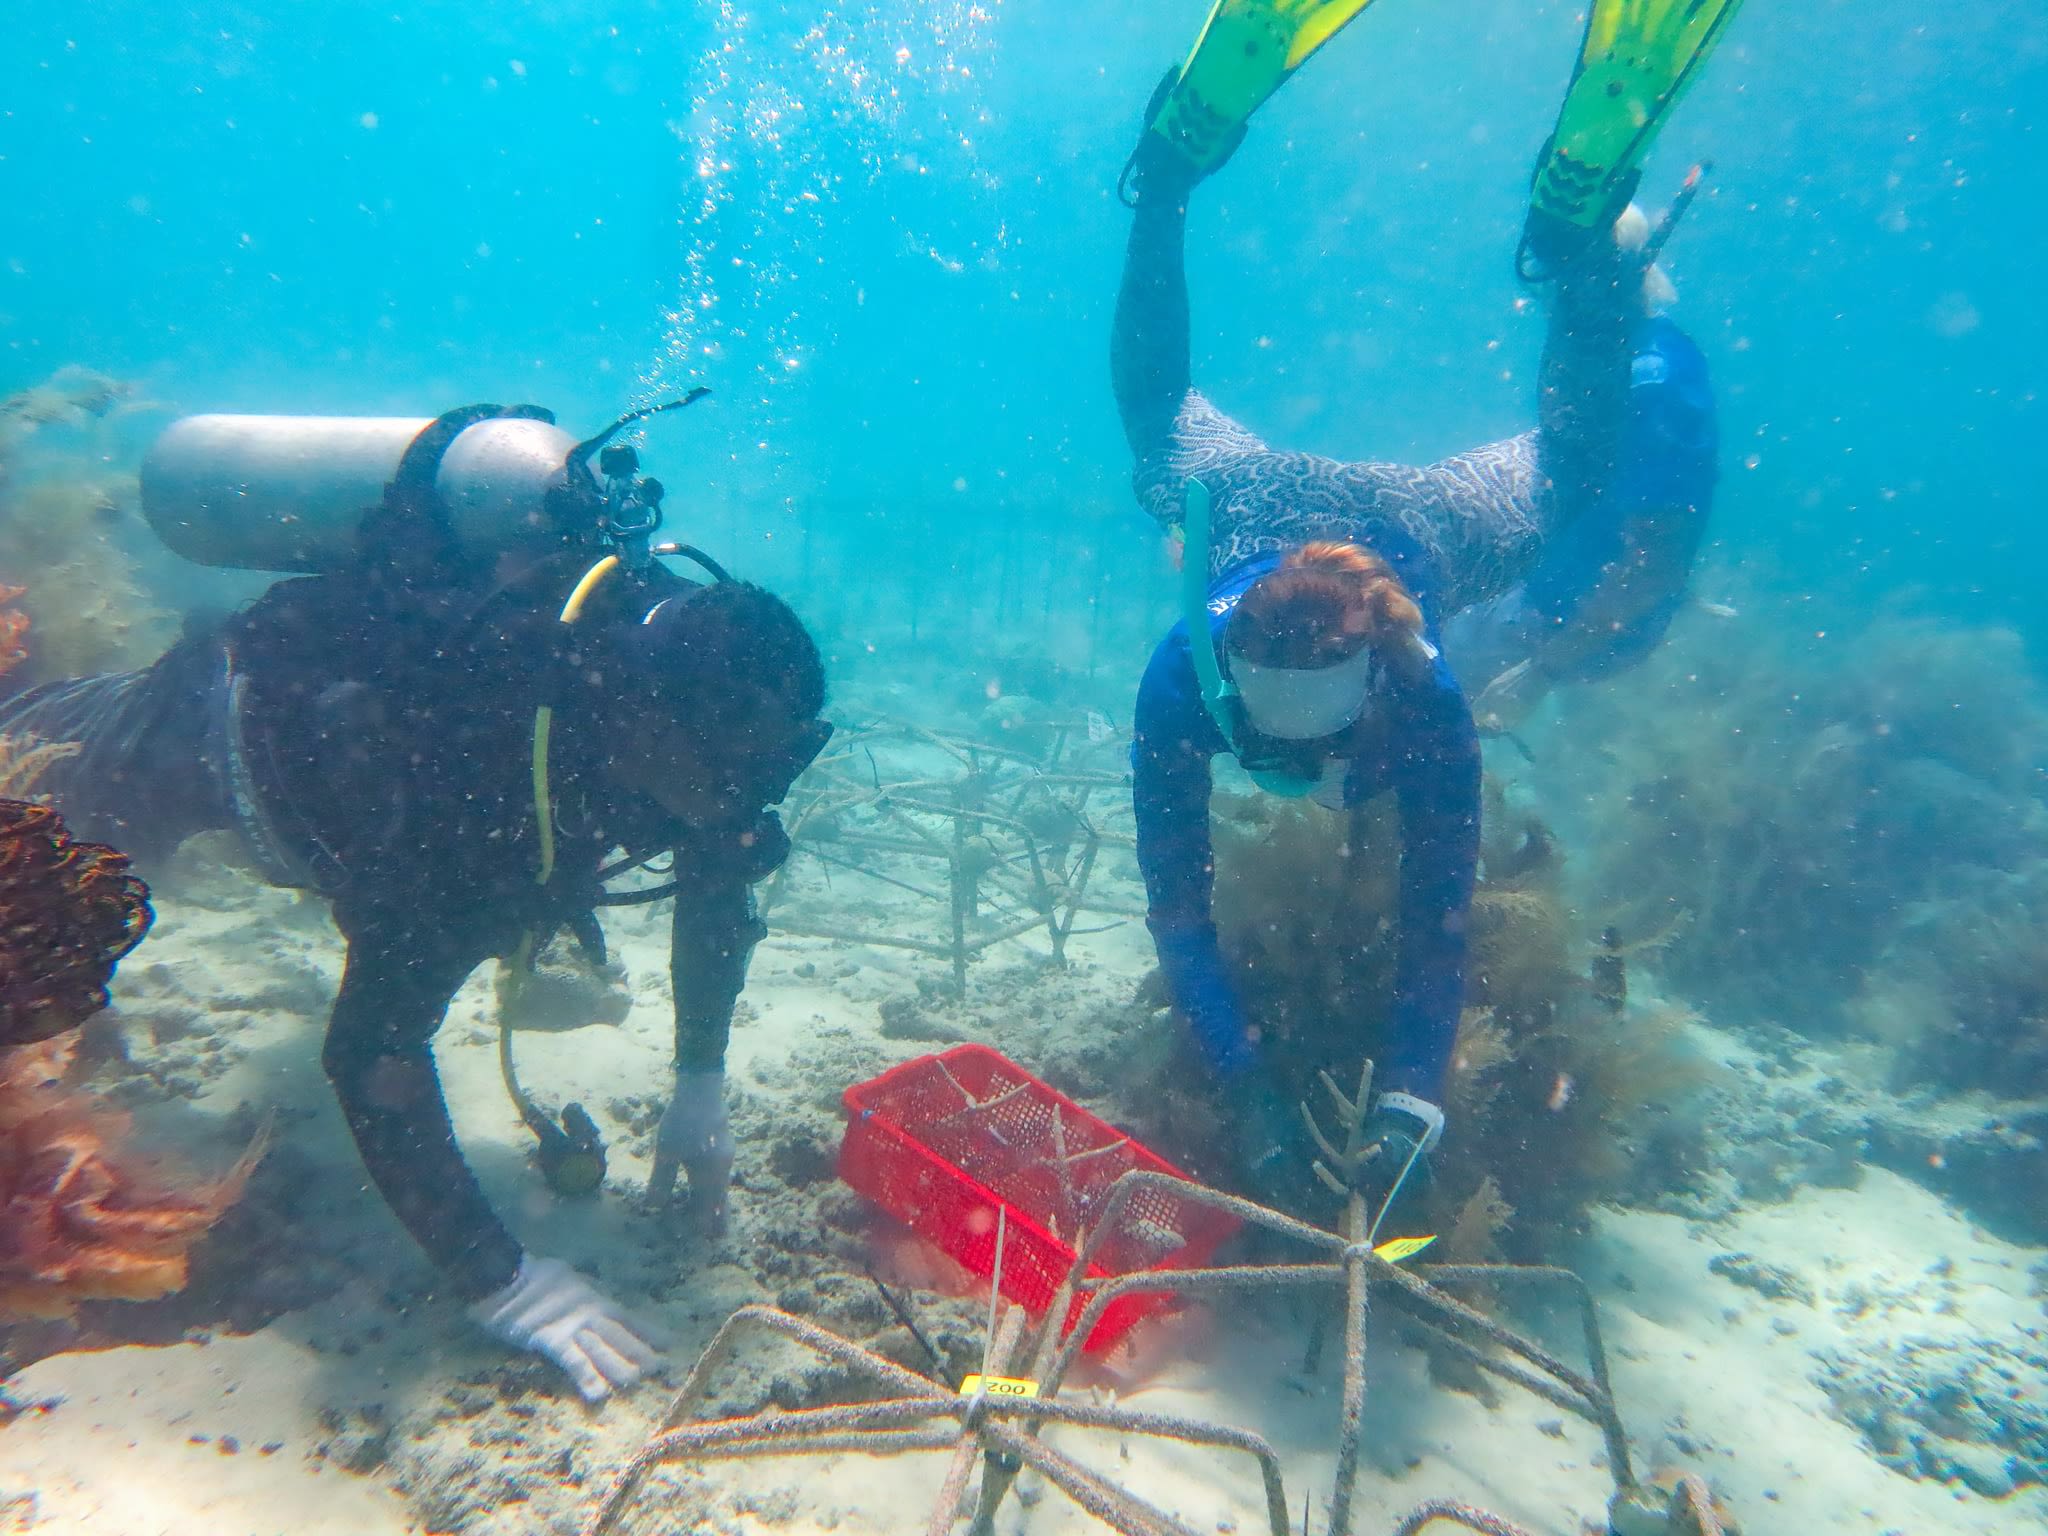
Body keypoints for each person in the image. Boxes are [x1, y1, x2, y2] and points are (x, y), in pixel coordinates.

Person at [0, 442, 831, 1400]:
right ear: (646, 722)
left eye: (772, 770)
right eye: (729, 776)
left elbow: (716, 866)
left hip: (340, 765)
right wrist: (504, 1281)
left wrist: (700, 1083)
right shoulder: (474, 798)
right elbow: (371, 1050)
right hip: (212, 732)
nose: (743, 807)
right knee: (47, 796)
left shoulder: (665, 704)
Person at [1115, 0, 1731, 1218]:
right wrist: (1245, 1088)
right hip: (1330, 508)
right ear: (1225, 664)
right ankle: (1573, 241)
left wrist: (1413, 1099)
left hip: (1369, 521)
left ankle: (1168, 173)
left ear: (1381, 669)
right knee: (1571, 478)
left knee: (1160, 421)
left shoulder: (1402, 688)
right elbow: (1192, 906)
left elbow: (1424, 922)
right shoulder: (1189, 674)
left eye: (1318, 742)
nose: (1295, 765)